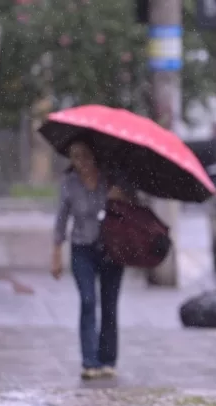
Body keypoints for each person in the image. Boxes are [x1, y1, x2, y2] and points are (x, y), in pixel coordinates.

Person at [52, 139, 133, 380]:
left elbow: (132, 209)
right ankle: (90, 361)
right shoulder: (70, 184)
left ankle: (108, 359)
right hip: (82, 249)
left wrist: (120, 197)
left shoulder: (112, 179)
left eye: (85, 156)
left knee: (109, 305)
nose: (81, 163)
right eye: (76, 157)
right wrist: (56, 253)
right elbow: (61, 219)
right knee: (88, 301)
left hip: (111, 249)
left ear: (95, 156)